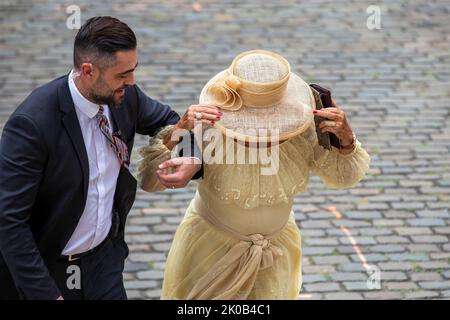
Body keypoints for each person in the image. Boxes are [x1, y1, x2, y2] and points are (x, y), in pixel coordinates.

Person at [0, 16, 219, 300]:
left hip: (104, 264)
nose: (131, 81)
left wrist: (190, 155)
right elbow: (8, 219)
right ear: (88, 71)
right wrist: (44, 294)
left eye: (133, 71)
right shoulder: (32, 125)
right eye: (122, 75)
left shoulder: (125, 96)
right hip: (49, 273)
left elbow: (169, 121)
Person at [138, 50, 371, 299]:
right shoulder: (206, 126)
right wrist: (178, 132)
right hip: (209, 254)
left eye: (272, 127)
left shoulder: (301, 131)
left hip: (276, 257)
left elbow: (345, 177)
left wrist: (347, 141)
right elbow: (149, 182)